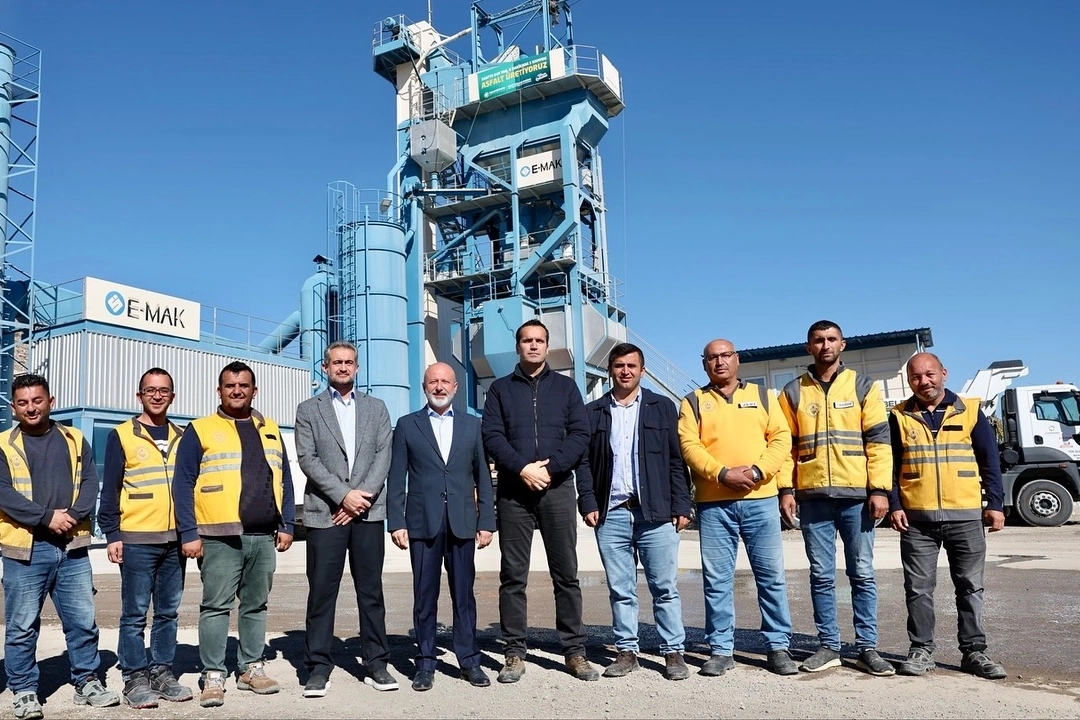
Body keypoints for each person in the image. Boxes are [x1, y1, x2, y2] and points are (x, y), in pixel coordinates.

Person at [481, 318, 598, 683]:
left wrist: (551, 468)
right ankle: (514, 652)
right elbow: (492, 435)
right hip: (514, 493)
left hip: (557, 489)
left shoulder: (566, 388)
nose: (533, 345)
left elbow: (580, 434)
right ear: (518, 346)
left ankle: (575, 652)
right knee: (513, 577)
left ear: (547, 346)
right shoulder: (500, 390)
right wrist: (522, 469)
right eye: (527, 340)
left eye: (539, 340)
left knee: (566, 575)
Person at [172, 360, 295, 708]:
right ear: (219, 390)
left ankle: (250, 668)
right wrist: (188, 532)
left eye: (243, 385)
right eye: (230, 385)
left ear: (255, 391)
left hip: (263, 534)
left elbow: (284, 478)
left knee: (256, 605)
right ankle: (213, 674)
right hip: (218, 536)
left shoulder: (270, 428)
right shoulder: (200, 429)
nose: (237, 390)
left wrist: (287, 524)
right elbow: (183, 483)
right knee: (216, 606)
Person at [776, 321, 895, 676]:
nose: (825, 345)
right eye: (818, 340)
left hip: (857, 497)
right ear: (808, 347)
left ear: (842, 345)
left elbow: (879, 442)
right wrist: (786, 489)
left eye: (831, 339)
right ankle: (828, 645)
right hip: (813, 497)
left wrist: (880, 489)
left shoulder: (862, 386)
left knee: (862, 573)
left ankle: (866, 648)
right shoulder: (793, 392)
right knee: (821, 575)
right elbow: (786, 447)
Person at [0, 374, 120, 720]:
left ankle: (87, 681)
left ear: (51, 402)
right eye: (23, 403)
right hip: (26, 549)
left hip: (72, 547)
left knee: (82, 621)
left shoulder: (74, 438)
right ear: (13, 408)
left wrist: (72, 516)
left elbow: (90, 481)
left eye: (37, 400)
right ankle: (24, 690)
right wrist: (46, 517)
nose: (31, 408)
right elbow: (3, 493)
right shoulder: (3, 444)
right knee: (22, 626)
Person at [678, 339, 798, 677]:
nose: (719, 362)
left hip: (761, 501)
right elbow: (689, 445)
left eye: (725, 355)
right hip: (714, 504)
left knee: (771, 577)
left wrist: (758, 472)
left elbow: (781, 439)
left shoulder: (764, 396)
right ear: (704, 364)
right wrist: (721, 473)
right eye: (712, 358)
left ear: (737, 359)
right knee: (717, 580)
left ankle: (777, 646)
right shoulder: (693, 401)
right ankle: (720, 650)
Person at [575, 343, 693, 681]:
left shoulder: (662, 407)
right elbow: (583, 463)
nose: (625, 371)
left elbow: (675, 460)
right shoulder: (593, 411)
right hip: (611, 512)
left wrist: (682, 504)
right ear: (609, 370)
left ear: (642, 370)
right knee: (620, 589)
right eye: (619, 365)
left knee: (664, 587)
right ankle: (627, 652)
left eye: (631, 365)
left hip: (656, 513)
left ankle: (673, 652)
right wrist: (588, 501)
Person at [888, 352, 1007, 680]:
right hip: (917, 520)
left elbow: (989, 461)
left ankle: (974, 652)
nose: (923, 381)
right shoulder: (899, 416)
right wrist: (895, 505)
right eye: (916, 377)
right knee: (918, 588)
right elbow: (890, 466)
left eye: (930, 374)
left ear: (943, 373)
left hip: (965, 516)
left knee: (970, 586)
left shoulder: (970, 411)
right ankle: (921, 650)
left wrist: (995, 504)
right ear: (909, 381)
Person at [294, 341, 397, 697]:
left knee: (371, 592)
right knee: (322, 593)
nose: (342, 367)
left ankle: (376, 663)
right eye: (336, 362)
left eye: (348, 362)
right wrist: (343, 496)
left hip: (367, 513)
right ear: (325, 368)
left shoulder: (377, 408)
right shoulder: (309, 409)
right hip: (326, 514)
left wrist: (359, 498)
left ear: (357, 367)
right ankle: (318, 666)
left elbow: (384, 455)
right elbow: (308, 458)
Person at [386, 362, 495, 691]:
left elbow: (483, 477)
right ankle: (425, 663)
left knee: (464, 596)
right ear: (424, 387)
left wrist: (487, 521)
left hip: (462, 522)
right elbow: (396, 477)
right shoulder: (408, 425)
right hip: (422, 523)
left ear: (455, 387)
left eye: (445, 381)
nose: (439, 386)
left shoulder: (472, 425)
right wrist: (397, 521)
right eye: (433, 381)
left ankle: (469, 660)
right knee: (424, 596)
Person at [97, 368, 194, 707]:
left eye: (163, 390)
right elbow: (110, 489)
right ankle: (135, 676)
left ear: (172, 396)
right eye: (150, 390)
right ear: (139, 395)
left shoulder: (184, 436)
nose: (157, 395)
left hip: (174, 540)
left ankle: (162, 672)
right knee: (135, 613)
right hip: (136, 539)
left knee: (168, 612)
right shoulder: (122, 435)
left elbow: (190, 485)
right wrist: (112, 533)